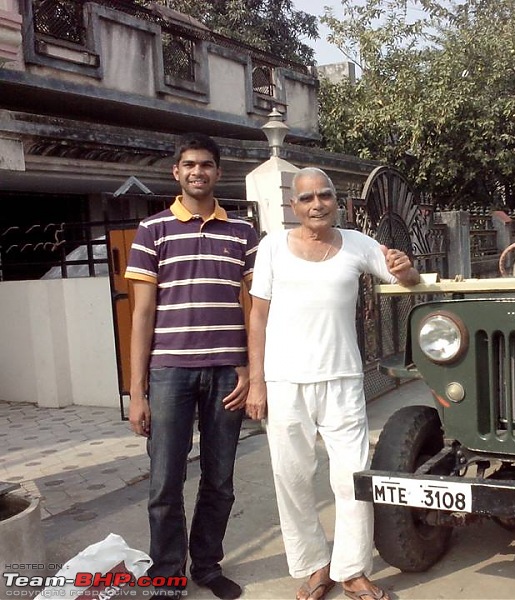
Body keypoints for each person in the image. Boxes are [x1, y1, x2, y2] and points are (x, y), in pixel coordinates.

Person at [246, 167, 420, 600]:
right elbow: (258, 316)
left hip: (342, 378)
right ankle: (313, 566)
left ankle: (352, 569)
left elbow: (405, 279)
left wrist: (407, 267)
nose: (316, 204)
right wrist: (256, 382)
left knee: (352, 477)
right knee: (292, 477)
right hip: (285, 381)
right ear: (293, 205)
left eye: (324, 196)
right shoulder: (272, 248)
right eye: (306, 199)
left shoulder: (357, 243)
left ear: (336, 201)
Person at [125, 133, 259, 600]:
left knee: (219, 480)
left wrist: (248, 368)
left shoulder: (242, 233)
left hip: (227, 372)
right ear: (176, 172)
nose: (197, 171)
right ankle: (166, 573)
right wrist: (136, 392)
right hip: (170, 374)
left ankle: (207, 565)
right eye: (188, 164)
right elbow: (141, 314)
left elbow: (251, 308)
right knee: (165, 481)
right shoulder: (153, 231)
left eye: (205, 164)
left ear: (218, 173)